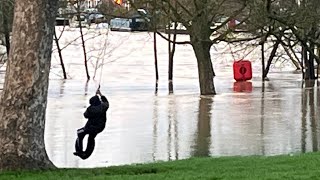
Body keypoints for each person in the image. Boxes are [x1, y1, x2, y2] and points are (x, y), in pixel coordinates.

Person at [73, 89, 109, 159]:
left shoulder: (90, 109)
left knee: (79, 133)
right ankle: (86, 154)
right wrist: (100, 94)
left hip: (90, 127)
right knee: (91, 138)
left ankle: (79, 151)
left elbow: (85, 115)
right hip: (100, 128)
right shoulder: (104, 106)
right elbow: (106, 102)